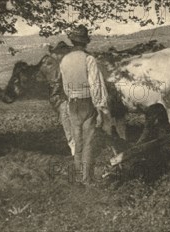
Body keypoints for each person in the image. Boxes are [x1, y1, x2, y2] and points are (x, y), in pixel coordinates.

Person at [59, 25, 109, 184]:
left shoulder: (64, 60)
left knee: (77, 140)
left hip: (72, 103)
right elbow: (96, 85)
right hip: (88, 104)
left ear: (73, 42)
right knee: (88, 141)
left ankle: (77, 177)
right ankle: (87, 179)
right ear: (85, 42)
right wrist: (100, 107)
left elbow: (65, 86)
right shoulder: (89, 59)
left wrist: (72, 98)